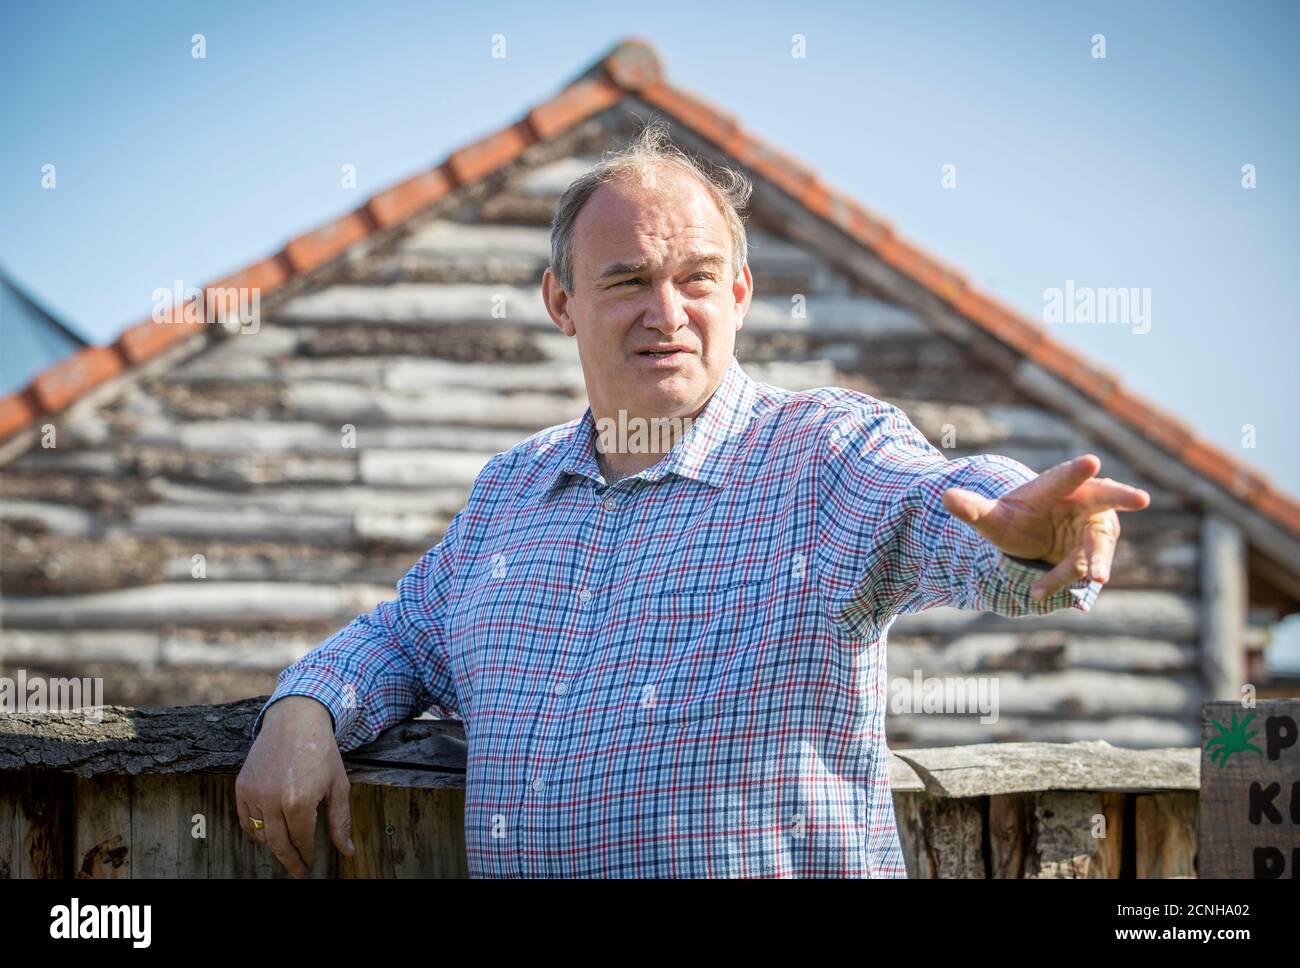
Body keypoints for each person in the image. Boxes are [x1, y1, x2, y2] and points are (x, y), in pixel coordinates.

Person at [236, 121, 1150, 878]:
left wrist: (1030, 537)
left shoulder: (825, 455)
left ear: (741, 292)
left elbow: (941, 506)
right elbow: (404, 637)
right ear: (561, 302)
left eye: (696, 278)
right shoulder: (508, 497)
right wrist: (304, 708)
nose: (667, 313)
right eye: (628, 280)